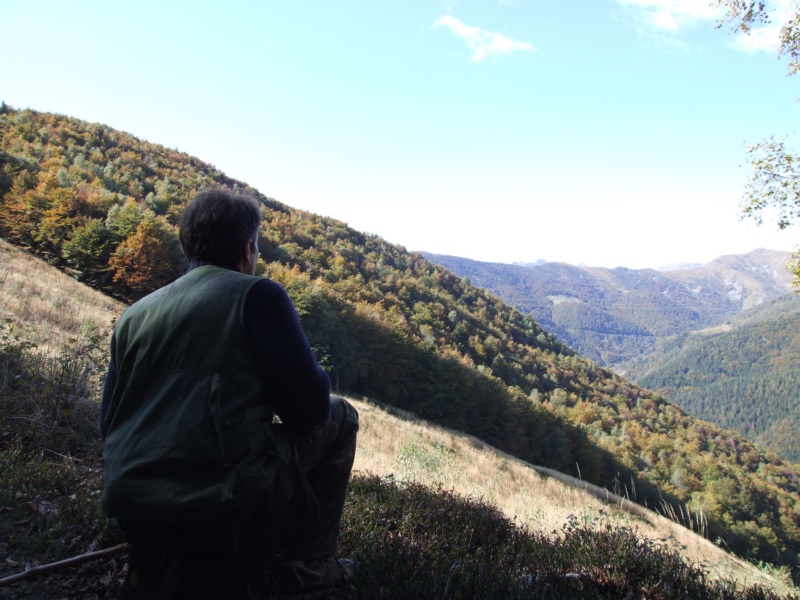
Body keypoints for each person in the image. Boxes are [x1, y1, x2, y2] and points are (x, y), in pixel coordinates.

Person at [100, 189, 359, 599]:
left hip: (133, 508)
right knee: (342, 415)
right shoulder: (258, 296)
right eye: (256, 246)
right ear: (246, 248)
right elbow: (311, 410)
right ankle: (311, 568)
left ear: (188, 245)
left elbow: (108, 425)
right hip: (219, 503)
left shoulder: (135, 314)